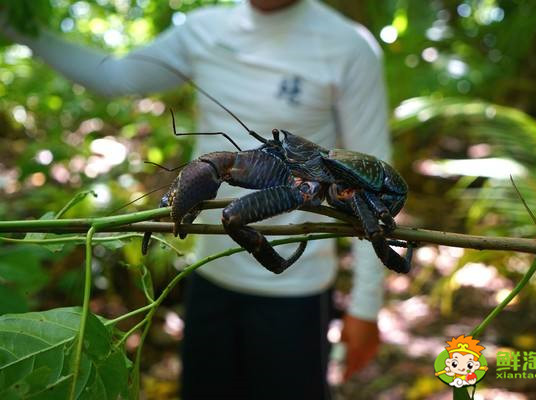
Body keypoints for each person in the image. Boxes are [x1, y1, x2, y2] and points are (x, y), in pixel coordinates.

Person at [1, 0, 392, 398]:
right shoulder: (203, 29)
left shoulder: (348, 46)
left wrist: (366, 306)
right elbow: (115, 76)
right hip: (208, 273)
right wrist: (12, 23)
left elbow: (371, 176)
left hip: (297, 289)